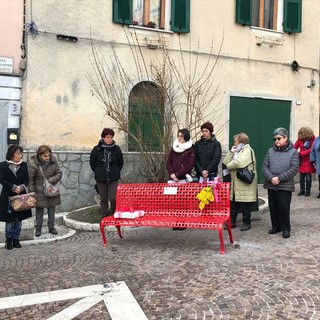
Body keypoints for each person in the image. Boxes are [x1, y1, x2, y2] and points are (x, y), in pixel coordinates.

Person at [262, 127, 299, 239]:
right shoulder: (270, 151)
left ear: (285, 138)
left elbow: (294, 168)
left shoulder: (293, 153)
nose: (276, 141)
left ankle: (286, 228)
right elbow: (264, 166)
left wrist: (279, 178)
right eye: (275, 139)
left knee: (283, 207)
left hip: (285, 185)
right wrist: (271, 177)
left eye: (279, 138)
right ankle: (276, 226)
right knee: (273, 207)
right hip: (271, 184)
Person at [222, 133, 257, 231]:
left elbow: (239, 163)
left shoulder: (247, 150)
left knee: (245, 203)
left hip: (243, 181)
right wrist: (231, 152)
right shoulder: (237, 150)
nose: (234, 143)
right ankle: (231, 222)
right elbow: (225, 162)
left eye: (236, 141)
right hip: (235, 181)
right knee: (233, 203)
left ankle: (247, 222)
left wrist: (229, 166)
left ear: (242, 142)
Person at [0, 145, 32, 250]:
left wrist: (21, 187)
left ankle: (16, 239)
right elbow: (2, 180)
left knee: (19, 219)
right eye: (18, 153)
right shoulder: (3, 165)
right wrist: (14, 187)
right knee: (9, 220)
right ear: (11, 155)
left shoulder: (23, 165)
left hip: (21, 196)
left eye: (20, 153)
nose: (20, 155)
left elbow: (26, 179)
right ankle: (8, 240)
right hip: (8, 196)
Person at [28, 145, 62, 237]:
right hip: (39, 191)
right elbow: (30, 180)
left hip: (51, 190)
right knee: (39, 210)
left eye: (48, 155)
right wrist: (31, 193)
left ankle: (51, 227)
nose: (47, 157)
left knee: (51, 209)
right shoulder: (34, 164)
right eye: (45, 156)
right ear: (40, 156)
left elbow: (59, 173)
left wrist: (51, 180)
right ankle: (38, 228)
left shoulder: (53, 162)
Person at [90, 128, 124, 218]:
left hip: (113, 176)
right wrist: (98, 171)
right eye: (107, 137)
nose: (109, 139)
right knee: (103, 198)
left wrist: (115, 170)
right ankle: (104, 215)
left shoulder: (116, 149)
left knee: (113, 197)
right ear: (103, 138)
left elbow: (121, 162)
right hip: (101, 177)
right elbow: (92, 163)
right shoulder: (97, 149)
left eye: (111, 137)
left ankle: (113, 212)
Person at [166, 128, 195, 230]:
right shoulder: (174, 148)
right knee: (174, 202)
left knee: (183, 201)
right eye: (179, 136)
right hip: (173, 179)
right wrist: (172, 174)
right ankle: (176, 221)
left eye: (182, 136)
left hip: (183, 178)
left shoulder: (190, 149)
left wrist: (178, 174)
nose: (180, 138)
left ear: (186, 137)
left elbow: (189, 165)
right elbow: (168, 163)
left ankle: (182, 222)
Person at [294, 127, 316, 196]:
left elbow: (312, 149)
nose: (303, 135)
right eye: (301, 133)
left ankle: (308, 191)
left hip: (309, 160)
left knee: (308, 177)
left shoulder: (312, 139)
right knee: (301, 177)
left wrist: (301, 153)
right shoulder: (300, 140)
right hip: (301, 160)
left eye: (304, 133)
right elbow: (294, 147)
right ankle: (302, 190)